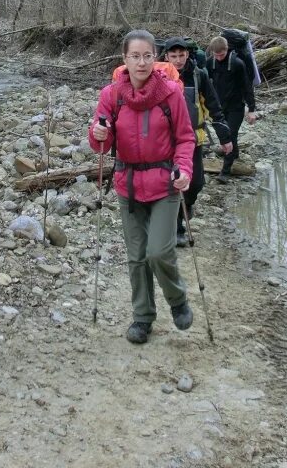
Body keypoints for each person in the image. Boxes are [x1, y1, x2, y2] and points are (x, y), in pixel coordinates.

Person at [89, 29, 196, 345]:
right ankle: (142, 318)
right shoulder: (111, 94)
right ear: (124, 59)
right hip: (128, 184)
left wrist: (185, 169)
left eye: (147, 56)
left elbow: (186, 138)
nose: (141, 62)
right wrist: (98, 134)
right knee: (136, 257)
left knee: (159, 251)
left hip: (165, 184)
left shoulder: (171, 94)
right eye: (134, 56)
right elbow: (102, 142)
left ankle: (177, 300)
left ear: (155, 58)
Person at [162, 37, 232, 248]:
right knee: (175, 184)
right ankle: (178, 228)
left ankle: (188, 205)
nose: (178, 60)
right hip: (166, 140)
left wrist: (225, 137)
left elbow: (213, 105)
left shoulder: (198, 75)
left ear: (187, 54)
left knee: (196, 183)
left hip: (193, 138)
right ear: (166, 57)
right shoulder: (159, 76)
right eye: (173, 56)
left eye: (181, 55)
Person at [205, 36, 257, 177]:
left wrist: (251, 109)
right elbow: (205, 85)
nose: (219, 58)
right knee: (226, 134)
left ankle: (225, 171)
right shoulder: (210, 63)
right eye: (216, 55)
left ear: (227, 50)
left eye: (221, 55)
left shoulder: (237, 64)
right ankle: (235, 153)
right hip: (218, 108)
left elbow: (247, 87)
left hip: (236, 107)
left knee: (230, 134)